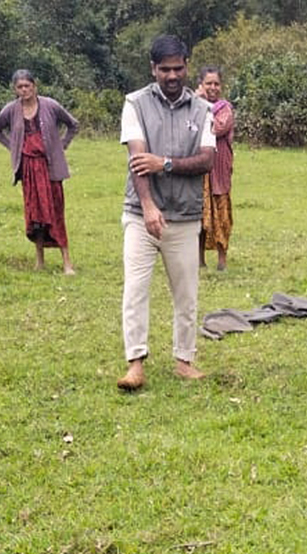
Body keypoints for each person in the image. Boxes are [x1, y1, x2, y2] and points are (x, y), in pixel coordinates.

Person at [116, 35, 216, 391]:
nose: (172, 76)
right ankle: (135, 364)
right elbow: (138, 159)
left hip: (185, 216)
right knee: (136, 289)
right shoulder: (135, 104)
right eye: (165, 69)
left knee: (186, 293)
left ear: (187, 66)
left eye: (178, 68)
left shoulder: (203, 109)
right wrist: (147, 207)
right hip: (141, 215)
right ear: (152, 69)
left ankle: (184, 361)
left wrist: (167, 163)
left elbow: (207, 159)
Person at [0, 69, 79, 274]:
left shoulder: (50, 105)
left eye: (27, 86)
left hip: (50, 168)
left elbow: (73, 124)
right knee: (35, 215)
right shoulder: (11, 110)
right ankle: (39, 261)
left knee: (55, 211)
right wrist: (13, 146)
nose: (24, 90)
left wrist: (61, 145)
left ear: (34, 86)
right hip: (29, 169)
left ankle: (67, 263)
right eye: (19, 87)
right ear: (15, 89)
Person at [195, 66, 236, 271]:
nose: (213, 87)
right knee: (200, 214)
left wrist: (198, 105)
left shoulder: (225, 110)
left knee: (221, 215)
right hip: (200, 169)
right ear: (201, 85)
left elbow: (215, 129)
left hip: (219, 170)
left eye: (216, 83)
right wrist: (196, 103)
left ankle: (222, 260)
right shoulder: (194, 106)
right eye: (208, 83)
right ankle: (199, 259)